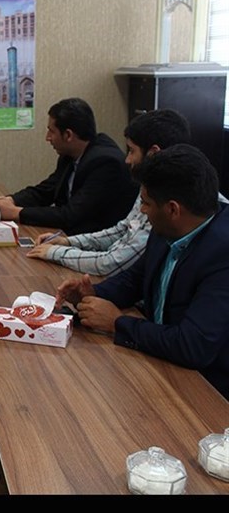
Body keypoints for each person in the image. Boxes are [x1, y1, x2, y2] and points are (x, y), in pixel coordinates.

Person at [56, 144, 229, 400]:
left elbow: (194, 345)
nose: (143, 212)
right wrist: (92, 293)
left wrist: (117, 323)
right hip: (159, 362)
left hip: (207, 391)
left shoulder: (222, 253)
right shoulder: (169, 228)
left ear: (173, 209)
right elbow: (135, 279)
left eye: (146, 204)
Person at [26, 109, 192, 276]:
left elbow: (112, 263)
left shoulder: (167, 202)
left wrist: (54, 253)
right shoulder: (150, 186)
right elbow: (122, 229)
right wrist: (68, 242)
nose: (127, 159)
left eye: (131, 151)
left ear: (153, 153)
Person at [0, 97, 137, 235]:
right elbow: (46, 191)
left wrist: (15, 213)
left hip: (95, 242)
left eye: (51, 131)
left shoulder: (106, 163)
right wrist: (11, 200)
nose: (47, 138)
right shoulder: (70, 154)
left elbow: (70, 215)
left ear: (68, 135)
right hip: (69, 235)